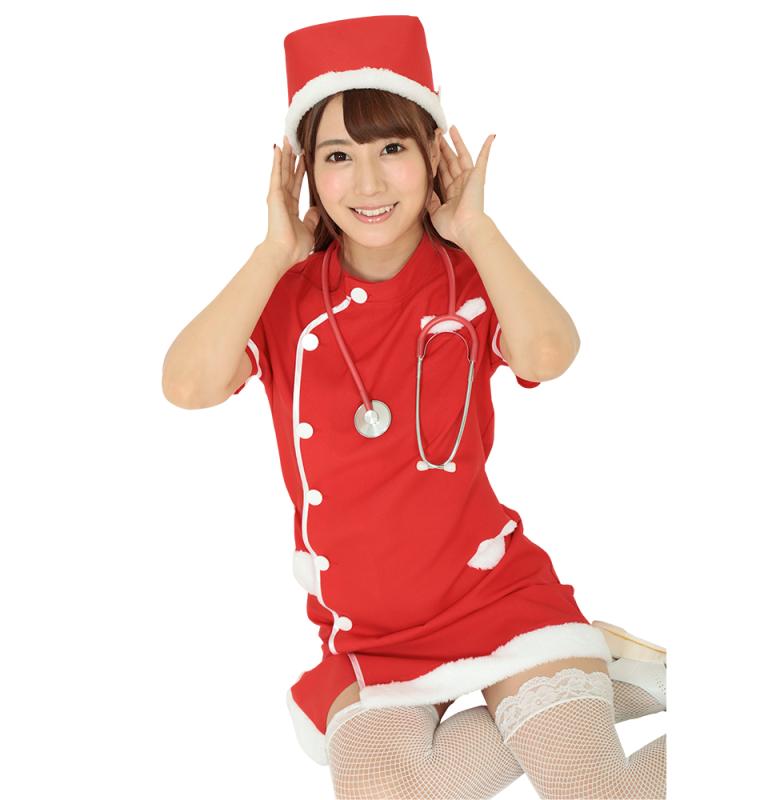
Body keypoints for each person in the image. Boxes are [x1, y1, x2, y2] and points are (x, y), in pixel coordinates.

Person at [163, 14, 667, 799]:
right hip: (369, 635)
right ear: (305, 173)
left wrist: (477, 228)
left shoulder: (469, 275)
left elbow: (548, 354)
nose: (368, 184)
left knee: (594, 789)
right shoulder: (285, 295)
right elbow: (187, 386)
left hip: (493, 596)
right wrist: (270, 252)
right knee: (379, 786)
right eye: (338, 156)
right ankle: (595, 672)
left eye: (392, 148)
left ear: (433, 153)